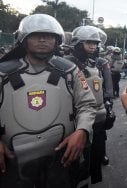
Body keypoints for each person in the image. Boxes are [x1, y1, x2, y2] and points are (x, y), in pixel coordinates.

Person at [0, 14, 96, 188]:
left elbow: (87, 104)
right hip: (13, 162)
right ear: (23, 38)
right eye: (36, 35)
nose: (43, 39)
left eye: (49, 35)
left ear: (57, 40)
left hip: (62, 157)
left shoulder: (69, 70)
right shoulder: (3, 74)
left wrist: (82, 130)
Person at [64, 25, 115, 184]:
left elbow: (107, 83)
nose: (93, 46)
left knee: (98, 144)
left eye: (95, 43)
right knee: (78, 152)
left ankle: (91, 174)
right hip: (76, 113)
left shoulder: (99, 62)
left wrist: (108, 101)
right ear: (79, 44)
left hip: (98, 110)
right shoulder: (67, 63)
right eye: (89, 43)